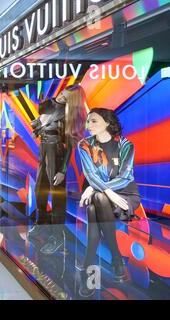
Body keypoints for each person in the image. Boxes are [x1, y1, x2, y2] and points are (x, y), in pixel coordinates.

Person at [77, 108, 140, 297]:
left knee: (95, 203)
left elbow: (126, 176)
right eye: (88, 122)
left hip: (125, 196)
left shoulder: (126, 145)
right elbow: (90, 174)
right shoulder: (84, 145)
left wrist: (96, 188)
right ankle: (116, 258)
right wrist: (105, 191)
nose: (88, 126)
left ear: (107, 123)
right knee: (98, 200)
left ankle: (88, 264)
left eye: (94, 121)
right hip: (105, 196)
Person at [29, 84, 88, 255]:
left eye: (66, 96)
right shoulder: (52, 105)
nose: (61, 96)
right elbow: (39, 122)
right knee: (40, 188)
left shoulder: (72, 114)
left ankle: (57, 237)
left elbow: (70, 144)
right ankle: (42, 223)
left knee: (57, 195)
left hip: (57, 152)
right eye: (62, 93)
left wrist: (63, 170)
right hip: (44, 148)